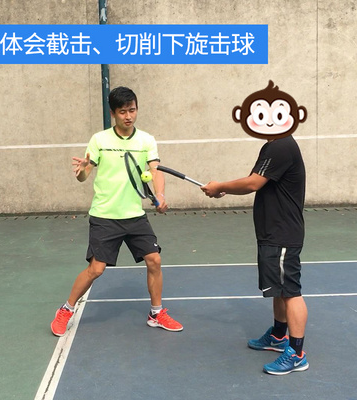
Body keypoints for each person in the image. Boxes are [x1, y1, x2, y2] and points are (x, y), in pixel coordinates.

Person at [51, 86, 183, 336]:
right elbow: (84, 176)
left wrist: (161, 195)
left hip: (134, 215)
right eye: (122, 112)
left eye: (132, 110)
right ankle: (66, 309)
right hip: (105, 215)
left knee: (154, 260)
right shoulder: (99, 140)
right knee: (96, 269)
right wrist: (82, 170)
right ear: (113, 113)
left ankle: (156, 313)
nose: (128, 116)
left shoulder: (146, 140)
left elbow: (155, 170)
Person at [201, 81, 309, 375]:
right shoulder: (272, 146)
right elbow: (256, 182)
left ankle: (297, 354)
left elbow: (252, 183)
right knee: (279, 290)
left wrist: (220, 186)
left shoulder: (282, 146)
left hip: (283, 233)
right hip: (272, 232)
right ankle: (278, 336)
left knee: (291, 292)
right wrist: (225, 189)